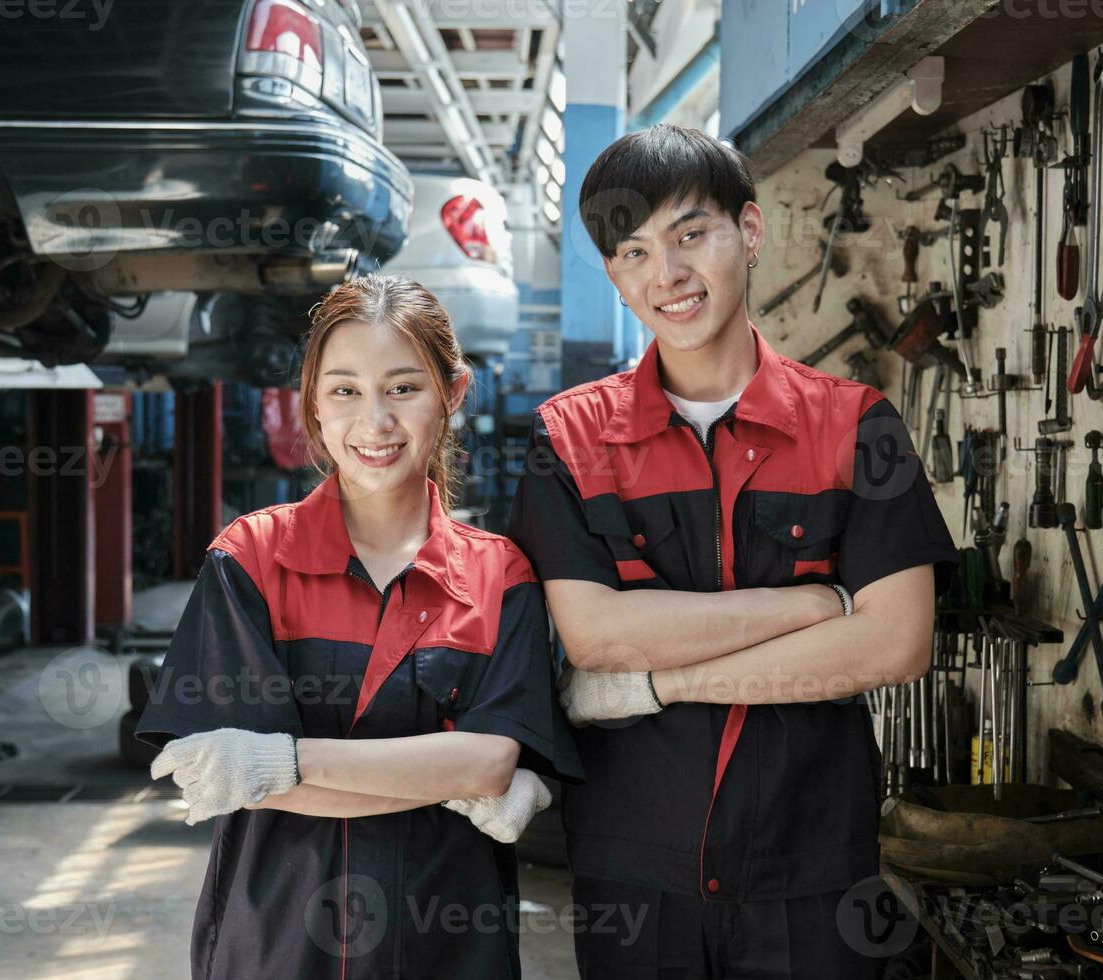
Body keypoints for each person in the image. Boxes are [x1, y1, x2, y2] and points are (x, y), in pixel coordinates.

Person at [506, 125, 959, 978]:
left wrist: (653, 683)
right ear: (614, 275)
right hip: (634, 869)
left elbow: (895, 644)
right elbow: (598, 637)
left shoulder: (859, 426)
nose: (666, 275)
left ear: (749, 233)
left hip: (814, 866)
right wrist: (808, 607)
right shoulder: (566, 440)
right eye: (634, 251)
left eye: (690, 235)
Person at [138, 275, 582, 980]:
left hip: (446, 944)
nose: (374, 422)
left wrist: (280, 761)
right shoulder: (250, 560)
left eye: (403, 388)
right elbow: (225, 775)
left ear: (453, 394)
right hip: (276, 944)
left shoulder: (501, 578)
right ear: (312, 402)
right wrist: (442, 771)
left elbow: (490, 764)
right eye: (344, 391)